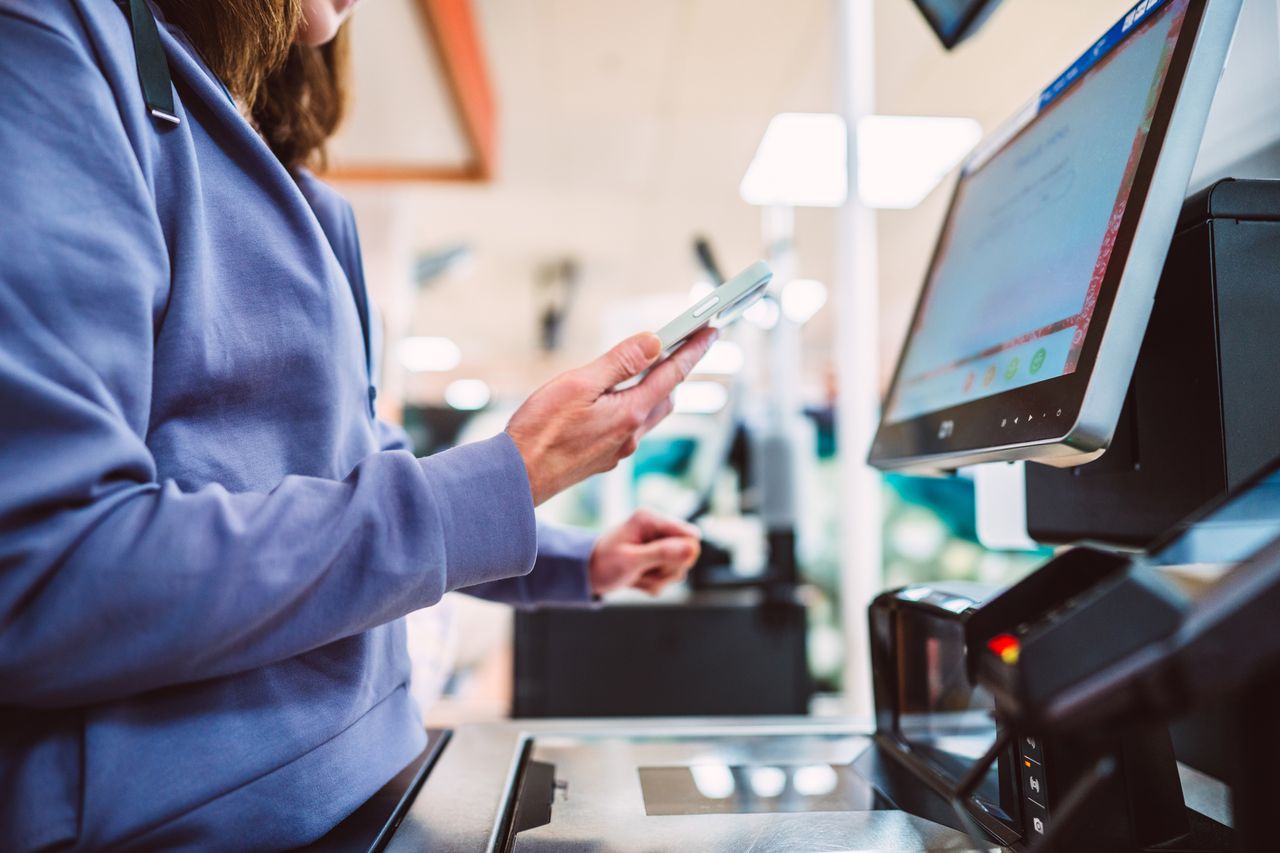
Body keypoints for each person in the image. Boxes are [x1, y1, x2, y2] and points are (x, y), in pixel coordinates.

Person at [0, 0, 717, 848]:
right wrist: (516, 474)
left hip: (367, 771)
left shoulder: (304, 199)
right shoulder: (52, 46)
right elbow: (55, 572)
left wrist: (579, 557)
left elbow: (359, 475)